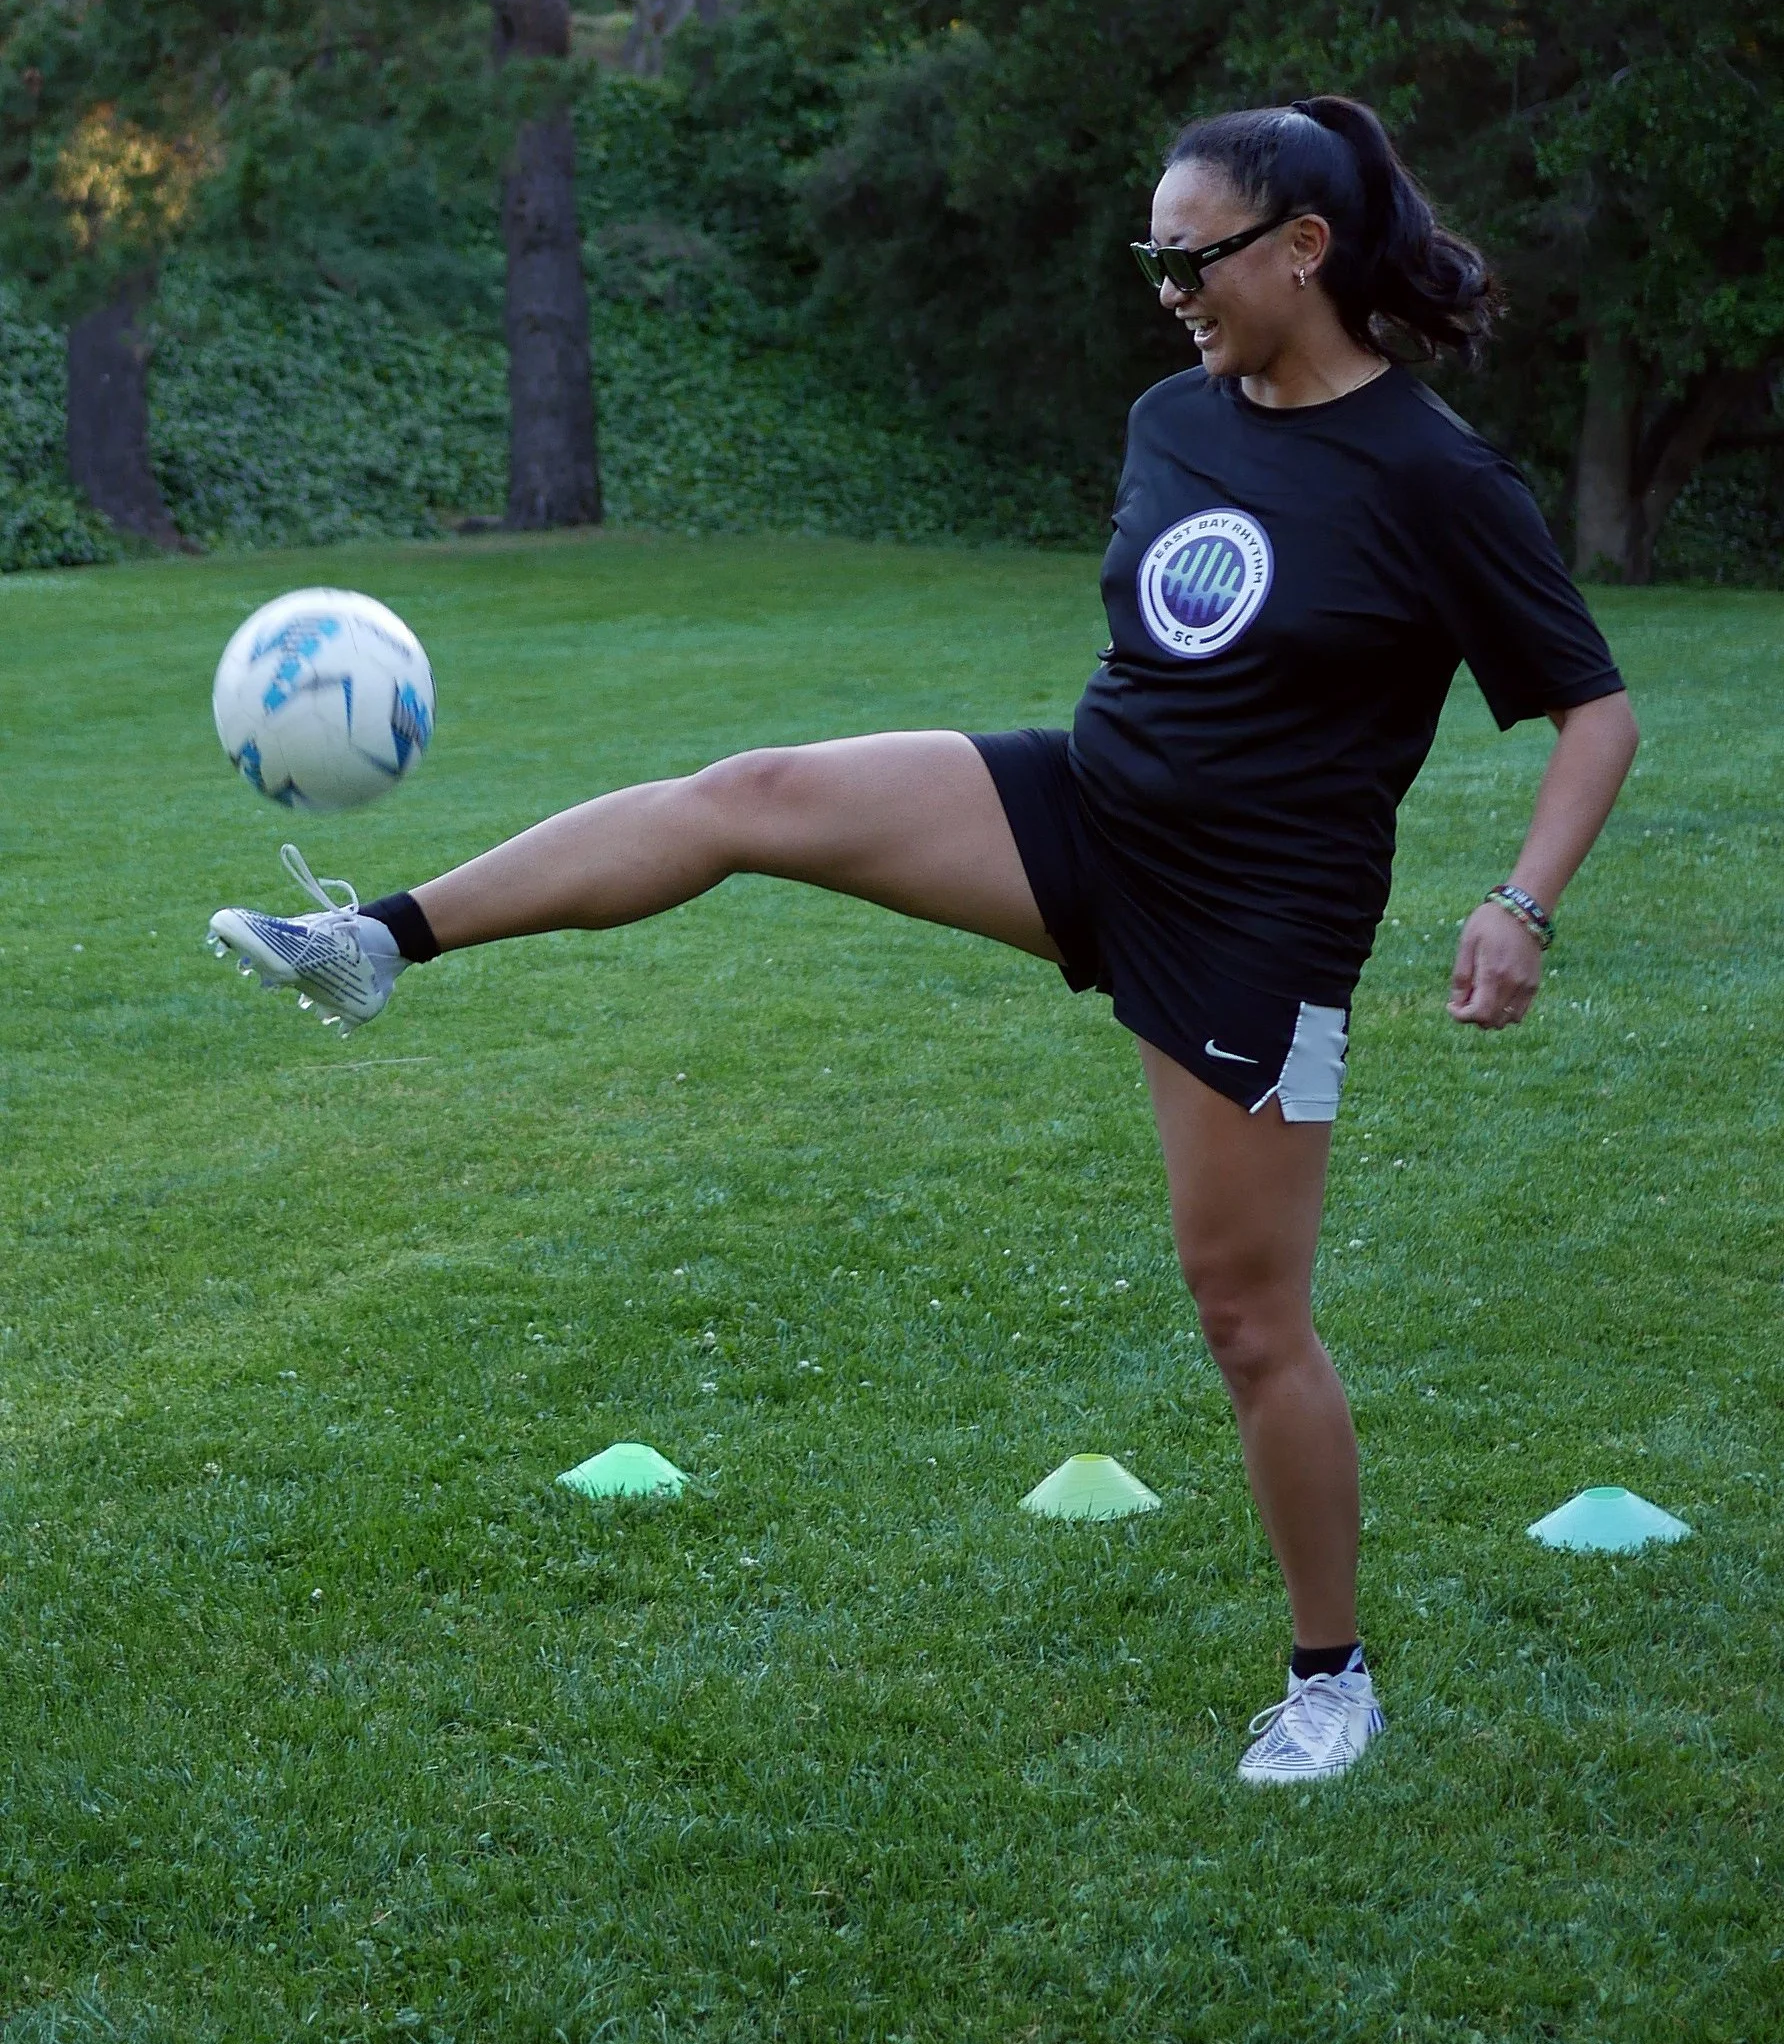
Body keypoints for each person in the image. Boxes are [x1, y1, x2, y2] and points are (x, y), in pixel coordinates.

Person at [208, 94, 1638, 1786]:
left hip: (1260, 916)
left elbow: (1593, 711)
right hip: (1087, 810)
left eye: (1194, 258)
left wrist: (1520, 901)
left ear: (1303, 249)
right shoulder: (1175, 419)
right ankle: (377, 940)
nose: (1169, 289)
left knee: (1248, 1315)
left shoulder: (1434, 475)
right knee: (754, 789)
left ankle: (1332, 1677)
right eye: (1151, 259)